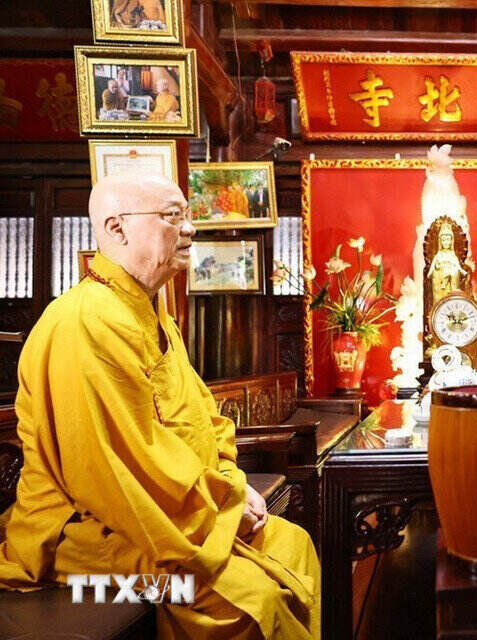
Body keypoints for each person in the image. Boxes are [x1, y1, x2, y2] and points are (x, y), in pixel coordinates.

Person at [0, 173, 320, 639]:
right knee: (251, 600)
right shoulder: (84, 322)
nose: (189, 228)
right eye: (172, 216)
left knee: (292, 544)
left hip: (173, 511)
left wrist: (231, 482)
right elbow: (116, 469)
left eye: (187, 215)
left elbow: (203, 417)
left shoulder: (150, 312)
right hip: (96, 533)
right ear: (117, 228)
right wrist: (221, 508)